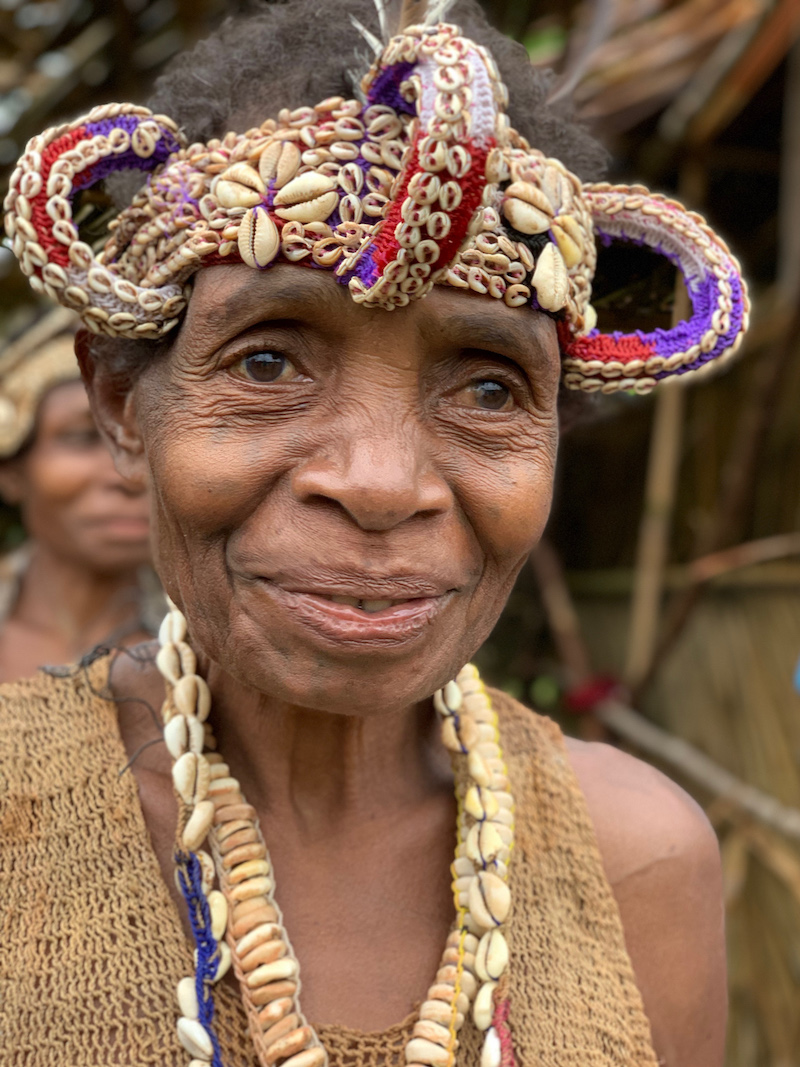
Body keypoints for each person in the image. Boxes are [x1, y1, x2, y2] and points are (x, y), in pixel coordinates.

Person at [0, 2, 748, 1065]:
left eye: (487, 388)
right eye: (267, 363)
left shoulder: (636, 859)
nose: (380, 484)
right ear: (124, 403)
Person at [0, 308, 162, 681]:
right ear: (11, 472)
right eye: (84, 438)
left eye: (151, 441)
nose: (130, 476)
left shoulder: (219, 661)